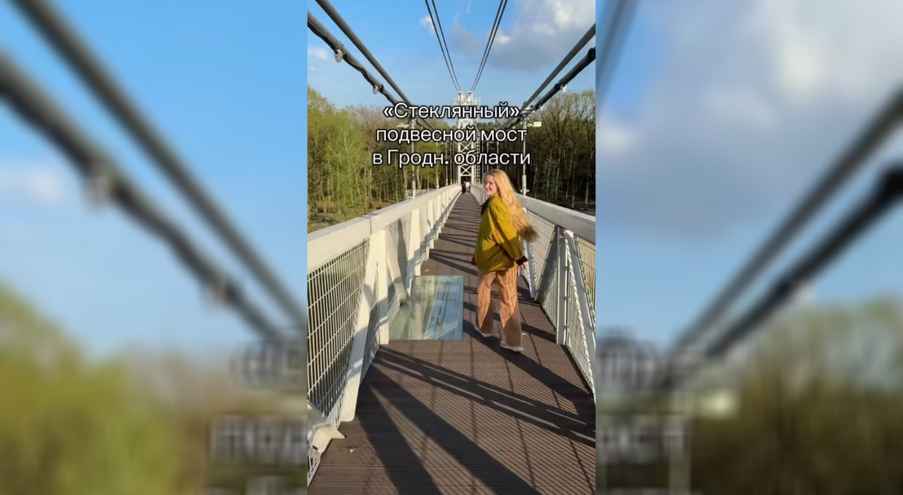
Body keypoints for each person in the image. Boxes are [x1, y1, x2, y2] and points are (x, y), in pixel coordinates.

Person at [471, 169, 537, 353]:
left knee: (485, 293)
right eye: (485, 183)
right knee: (509, 299)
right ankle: (513, 341)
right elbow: (507, 232)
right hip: (504, 260)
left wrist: (519, 257)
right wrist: (518, 255)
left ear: (500, 185)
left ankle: (485, 329)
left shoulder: (494, 205)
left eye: (491, 183)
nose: (486, 186)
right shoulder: (504, 202)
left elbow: (504, 234)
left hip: (493, 260)